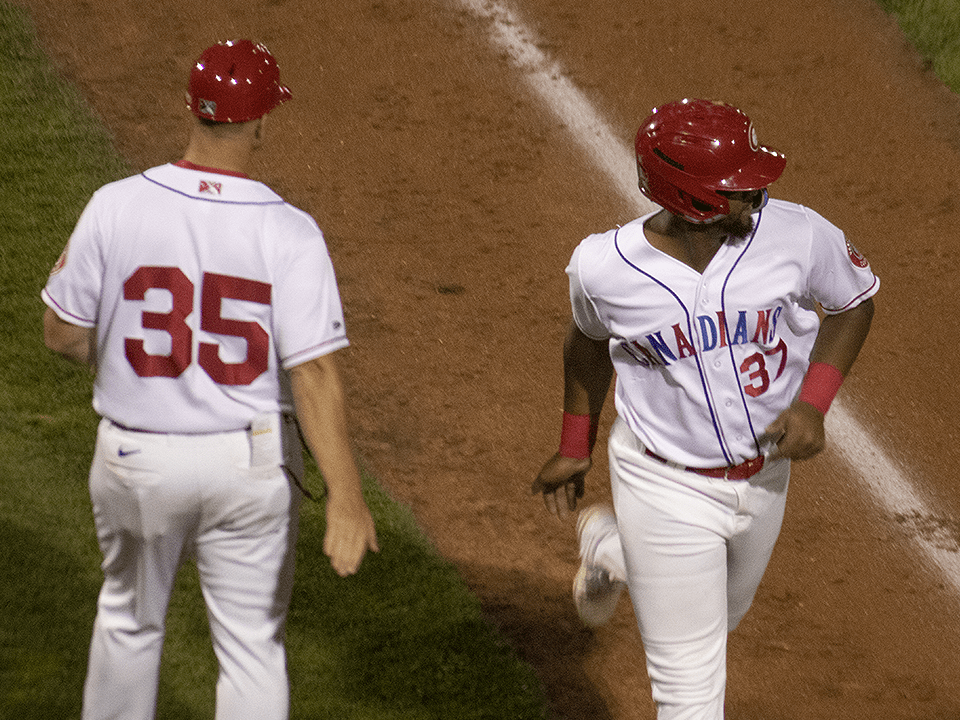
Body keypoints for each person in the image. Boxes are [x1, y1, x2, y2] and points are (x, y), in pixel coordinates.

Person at [41, 39, 379, 720]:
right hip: (244, 465)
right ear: (259, 122)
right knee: (252, 647)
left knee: (128, 623)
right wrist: (346, 495)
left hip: (134, 461)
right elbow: (312, 372)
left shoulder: (114, 204)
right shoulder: (290, 232)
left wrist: (129, 365)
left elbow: (62, 333)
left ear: (192, 110)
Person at [532, 98, 877, 719]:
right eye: (736, 186)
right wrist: (573, 444)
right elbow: (584, 343)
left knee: (721, 617)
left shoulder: (797, 235)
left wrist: (813, 404)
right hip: (663, 482)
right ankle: (634, 543)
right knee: (690, 691)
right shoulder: (604, 268)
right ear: (689, 198)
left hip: (765, 476)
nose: (755, 190)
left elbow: (853, 304)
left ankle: (612, 551)